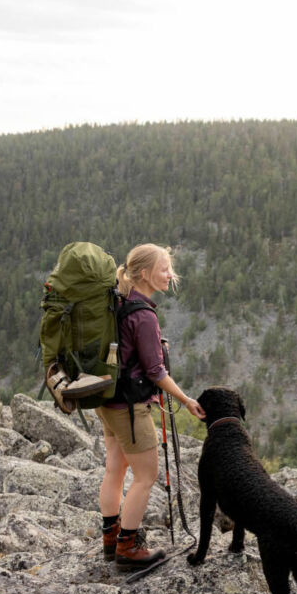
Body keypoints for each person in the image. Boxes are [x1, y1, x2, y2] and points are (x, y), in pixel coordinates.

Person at [98, 244, 206, 571]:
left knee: (115, 469)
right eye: (164, 269)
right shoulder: (143, 313)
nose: (170, 275)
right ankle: (127, 547)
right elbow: (155, 372)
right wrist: (187, 400)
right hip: (130, 407)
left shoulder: (119, 301)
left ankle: (110, 536)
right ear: (144, 274)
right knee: (146, 475)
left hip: (107, 398)